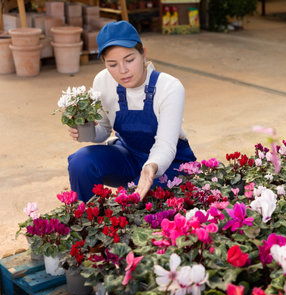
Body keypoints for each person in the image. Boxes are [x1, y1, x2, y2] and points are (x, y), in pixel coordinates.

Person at [67, 21, 196, 202]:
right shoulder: (103, 82)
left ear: (143, 53)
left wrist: (151, 167)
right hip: (129, 155)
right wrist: (85, 132)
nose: (123, 71)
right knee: (81, 162)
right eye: (112, 64)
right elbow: (104, 130)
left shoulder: (168, 87)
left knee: (132, 202)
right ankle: (88, 220)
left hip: (168, 164)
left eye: (129, 60)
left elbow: (166, 145)